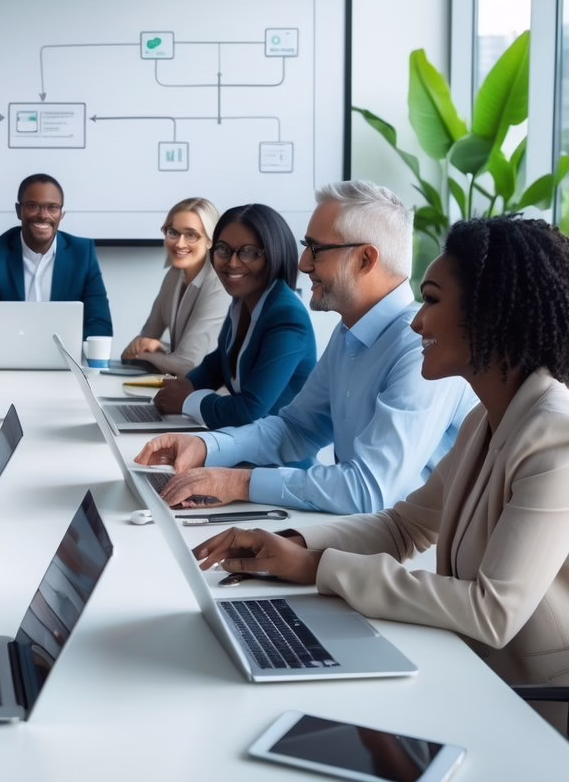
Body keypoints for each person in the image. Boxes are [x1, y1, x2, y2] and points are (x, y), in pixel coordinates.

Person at [194, 216, 569, 706]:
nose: (416, 322)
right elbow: (403, 526)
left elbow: (491, 612)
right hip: (462, 663)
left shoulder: (554, 438)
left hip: (529, 700)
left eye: (431, 300)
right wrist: (289, 543)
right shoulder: (486, 418)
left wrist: (318, 566)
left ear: (490, 312)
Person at [136, 181, 475, 515]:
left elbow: (369, 491)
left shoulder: (419, 346)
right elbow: (297, 427)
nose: (302, 264)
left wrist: (236, 483)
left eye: (316, 249)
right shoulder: (349, 332)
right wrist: (205, 446)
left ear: (364, 259)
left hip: (410, 554)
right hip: (360, 534)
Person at [151, 203, 316, 424]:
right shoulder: (242, 301)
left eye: (248, 252)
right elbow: (220, 362)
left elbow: (248, 410)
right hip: (240, 445)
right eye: (223, 249)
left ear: (273, 254)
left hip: (274, 456)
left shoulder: (287, 317)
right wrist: (187, 384)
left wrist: (187, 401)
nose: (232, 263)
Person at [0, 173, 113, 345]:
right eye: (33, 206)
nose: (43, 215)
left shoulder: (83, 254)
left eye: (52, 207)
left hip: (65, 362)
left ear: (61, 214)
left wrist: (81, 353)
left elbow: (100, 323)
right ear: (19, 210)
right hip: (6, 360)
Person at [120, 197, 229, 377]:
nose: (179, 243)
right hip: (179, 390)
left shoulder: (219, 286)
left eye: (191, 235)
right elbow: (143, 341)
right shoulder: (174, 276)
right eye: (173, 232)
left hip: (214, 396)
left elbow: (190, 364)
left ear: (211, 240)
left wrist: (146, 356)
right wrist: (158, 348)